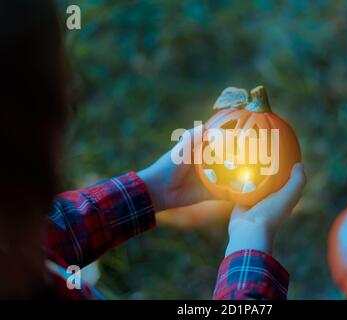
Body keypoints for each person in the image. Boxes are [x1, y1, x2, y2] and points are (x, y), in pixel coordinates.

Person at [0, 0, 306, 299]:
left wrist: (149, 189)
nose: (72, 95)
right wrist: (249, 245)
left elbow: (44, 233)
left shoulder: (15, 250)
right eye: (59, 84)